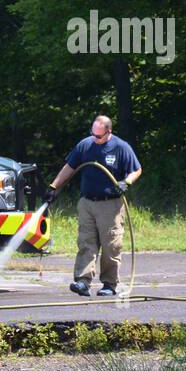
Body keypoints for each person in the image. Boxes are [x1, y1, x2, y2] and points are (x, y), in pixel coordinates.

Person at [44, 115, 141, 297]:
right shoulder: (85, 145)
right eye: (93, 134)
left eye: (99, 136)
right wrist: (54, 186)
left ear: (108, 132)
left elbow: (137, 169)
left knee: (111, 244)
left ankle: (109, 284)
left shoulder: (121, 147)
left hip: (110, 205)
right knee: (86, 242)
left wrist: (125, 182)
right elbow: (69, 167)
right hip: (87, 203)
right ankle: (82, 281)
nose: (95, 139)